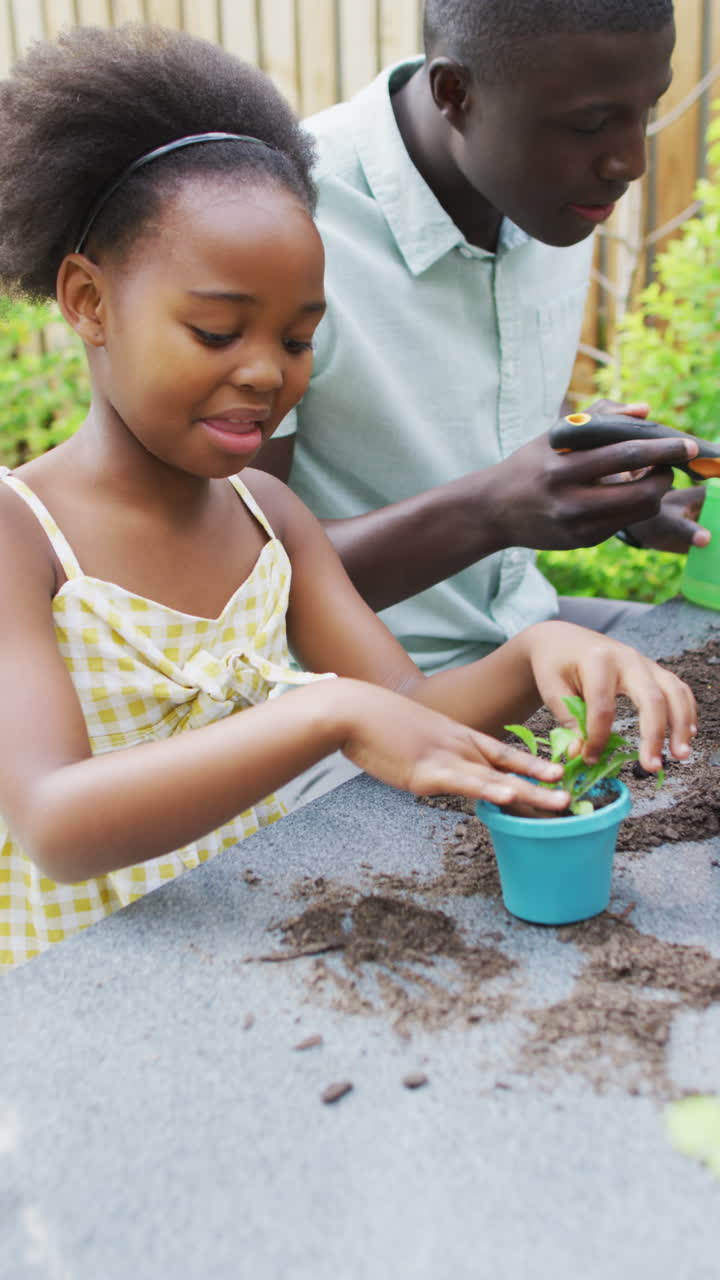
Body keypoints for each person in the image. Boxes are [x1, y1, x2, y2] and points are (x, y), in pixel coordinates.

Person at [0, 24, 696, 972]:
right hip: (83, 983)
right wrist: (324, 715)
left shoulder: (268, 518)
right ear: (87, 301)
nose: (265, 374)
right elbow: (54, 821)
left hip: (240, 950)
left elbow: (407, 702)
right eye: (214, 331)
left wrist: (539, 652)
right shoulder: (23, 535)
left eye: (297, 340)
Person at [256, 0, 706, 679]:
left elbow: (453, 413)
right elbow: (235, 580)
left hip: (530, 638)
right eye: (589, 123)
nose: (630, 161)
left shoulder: (550, 191)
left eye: (645, 110)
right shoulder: (282, 227)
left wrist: (604, 482)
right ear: (455, 94)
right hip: (340, 708)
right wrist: (492, 510)